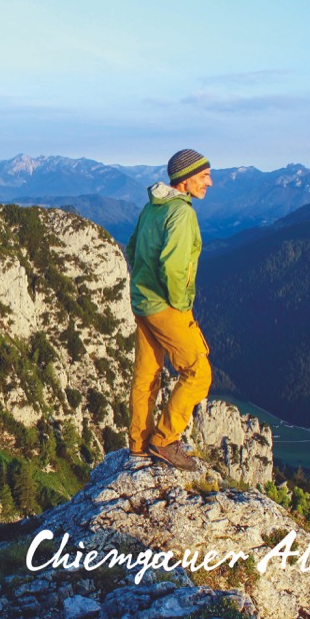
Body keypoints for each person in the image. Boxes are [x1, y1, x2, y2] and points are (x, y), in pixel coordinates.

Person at [124, 149, 213, 471]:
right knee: (198, 373)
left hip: (143, 303)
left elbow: (132, 248)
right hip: (166, 306)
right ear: (186, 179)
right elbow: (174, 266)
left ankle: (138, 444)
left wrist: (142, 286)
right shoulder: (181, 213)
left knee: (147, 375)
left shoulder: (152, 207)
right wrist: (180, 303)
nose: (210, 182)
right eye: (204, 176)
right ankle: (164, 440)